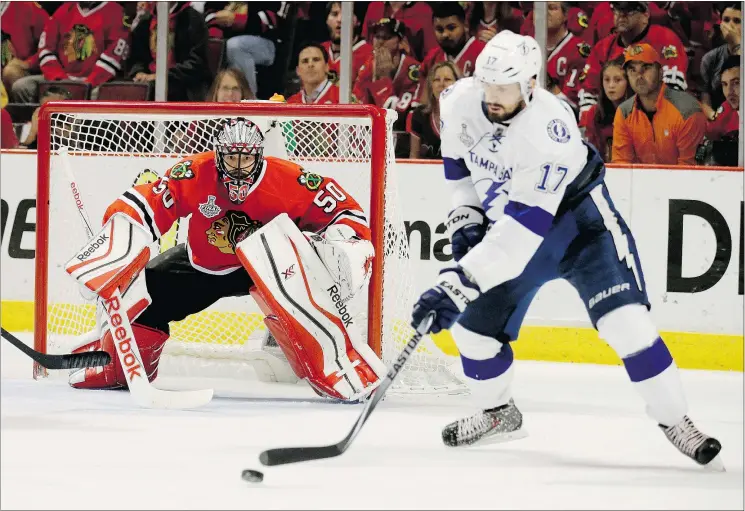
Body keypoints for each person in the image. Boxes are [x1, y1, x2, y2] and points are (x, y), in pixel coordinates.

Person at [409, 30, 722, 468]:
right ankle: (499, 413)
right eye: (488, 85)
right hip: (512, 227)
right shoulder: (459, 101)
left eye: (505, 88)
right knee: (470, 331)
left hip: (580, 227)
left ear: (531, 85)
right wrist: (466, 218)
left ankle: (676, 420)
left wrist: (458, 282)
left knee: (626, 324)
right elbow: (459, 172)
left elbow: (522, 235)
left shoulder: (549, 130)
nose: (493, 97)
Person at [66, 117, 386, 402]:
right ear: (218, 155)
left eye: (245, 158)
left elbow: (344, 210)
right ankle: (118, 365)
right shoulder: (196, 171)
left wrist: (346, 244)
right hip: (205, 265)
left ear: (259, 156)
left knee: (302, 272)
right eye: (230, 157)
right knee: (142, 294)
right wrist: (115, 245)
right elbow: (150, 201)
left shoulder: (287, 180)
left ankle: (340, 365)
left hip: (272, 268)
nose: (237, 166)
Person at [578, 1, 688, 113]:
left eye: (628, 10)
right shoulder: (603, 48)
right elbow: (588, 94)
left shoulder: (664, 38)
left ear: (646, 14)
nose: (621, 14)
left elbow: (673, 90)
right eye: (617, 9)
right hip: (614, 121)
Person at [10, 1, 131, 103]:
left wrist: (86, 84)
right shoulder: (64, 10)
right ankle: (36, 126)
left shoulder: (116, 13)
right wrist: (59, 79)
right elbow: (45, 48)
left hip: (96, 83)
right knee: (22, 87)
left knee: (99, 96)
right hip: (62, 78)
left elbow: (113, 57)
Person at [612, 43, 706, 165]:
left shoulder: (687, 111)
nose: (639, 75)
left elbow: (688, 172)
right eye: (632, 69)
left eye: (645, 67)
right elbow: (621, 165)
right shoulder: (623, 112)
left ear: (661, 73)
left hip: (682, 181)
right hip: (641, 183)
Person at [128, 1, 211, 101]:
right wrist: (139, 72)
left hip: (183, 86)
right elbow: (137, 58)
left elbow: (197, 62)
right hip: (149, 83)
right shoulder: (145, 20)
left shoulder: (193, 19)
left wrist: (162, 76)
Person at [353, 18, 420, 133]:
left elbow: (397, 116)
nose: (380, 42)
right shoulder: (369, 65)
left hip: (402, 136)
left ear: (401, 42)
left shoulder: (413, 69)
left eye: (386, 37)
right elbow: (356, 102)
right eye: (377, 37)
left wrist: (383, 80)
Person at [203, 2, 282, 98]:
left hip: (264, 44)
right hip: (227, 42)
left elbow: (270, 21)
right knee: (211, 45)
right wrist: (219, 24)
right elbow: (207, 16)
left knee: (236, 46)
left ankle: (249, 99)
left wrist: (236, 20)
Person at [416, 2, 485, 102]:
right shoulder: (432, 58)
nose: (445, 34)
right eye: (439, 29)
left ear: (465, 25)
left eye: (451, 28)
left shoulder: (483, 54)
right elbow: (423, 103)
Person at [579, 56, 630, 161]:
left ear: (629, 82)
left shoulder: (638, 112)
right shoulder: (593, 113)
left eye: (618, 80)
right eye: (606, 80)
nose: (611, 85)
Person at [407, 61, 460, 159]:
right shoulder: (420, 115)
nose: (441, 84)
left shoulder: (467, 116)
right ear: (431, 86)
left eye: (447, 79)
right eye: (437, 79)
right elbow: (414, 156)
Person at [700, 3, 742, 119]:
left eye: (737, 21)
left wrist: (737, 45)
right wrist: (715, 117)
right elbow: (705, 96)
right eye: (726, 20)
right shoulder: (710, 58)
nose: (730, 26)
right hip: (721, 121)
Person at [361, 1, 437, 61]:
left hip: (407, 73)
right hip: (373, 71)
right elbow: (365, 46)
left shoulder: (424, 11)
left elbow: (432, 54)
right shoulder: (374, 6)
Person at [1, 1, 49, 92]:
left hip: (22, 72)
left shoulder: (28, 7)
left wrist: (28, 64)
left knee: (10, 72)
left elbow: (50, 47)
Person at [321, 2, 372, 85]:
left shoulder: (369, 55)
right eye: (334, 14)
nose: (339, 20)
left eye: (346, 14)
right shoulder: (318, 51)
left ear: (358, 21)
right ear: (326, 20)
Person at [702, 56, 741, 167]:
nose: (729, 92)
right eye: (724, 84)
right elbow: (708, 136)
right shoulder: (726, 108)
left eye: (736, 83)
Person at [18, 85, 72, 150]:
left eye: (55, 110)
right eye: (45, 109)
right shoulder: (28, 126)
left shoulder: (78, 126)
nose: (50, 114)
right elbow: (20, 152)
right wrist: (33, 132)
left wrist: (66, 135)